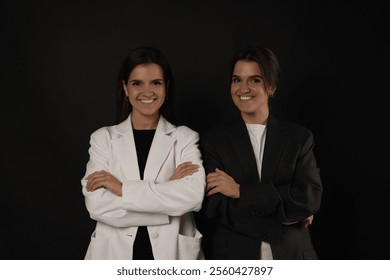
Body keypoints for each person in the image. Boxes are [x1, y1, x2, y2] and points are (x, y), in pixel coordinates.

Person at [198, 44, 323, 260]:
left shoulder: (299, 138)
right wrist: (286, 213)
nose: (243, 88)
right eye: (237, 79)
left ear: (272, 86)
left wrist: (240, 192)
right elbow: (215, 206)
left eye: (254, 80)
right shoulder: (213, 140)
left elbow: (309, 198)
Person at [81, 46, 206, 260]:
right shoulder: (103, 139)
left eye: (156, 83)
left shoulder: (184, 138)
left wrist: (122, 189)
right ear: (125, 88)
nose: (147, 92)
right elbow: (97, 206)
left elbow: (192, 196)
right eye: (137, 83)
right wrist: (167, 197)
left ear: (166, 88)